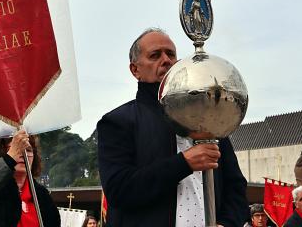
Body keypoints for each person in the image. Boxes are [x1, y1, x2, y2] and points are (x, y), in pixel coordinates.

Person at [96, 28, 249, 226]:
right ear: (135, 70)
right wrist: (183, 163)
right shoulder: (117, 122)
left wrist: (226, 223)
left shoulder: (208, 117)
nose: (166, 60)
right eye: (155, 55)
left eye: (171, 54)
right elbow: (119, 190)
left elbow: (236, 187)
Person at [0, 130, 60, 227]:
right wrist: (10, 159)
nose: (23, 154)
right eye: (17, 149)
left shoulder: (42, 196)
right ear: (2, 153)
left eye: (28, 150)